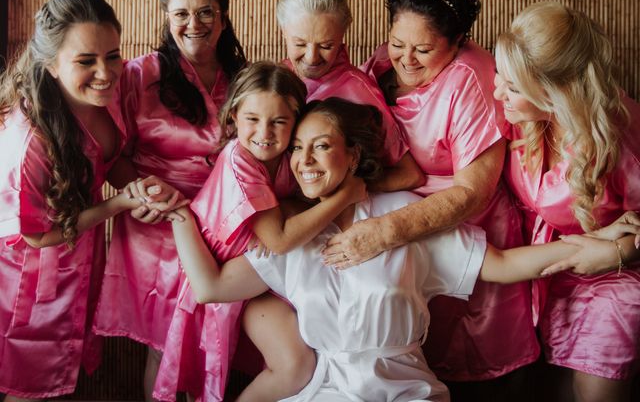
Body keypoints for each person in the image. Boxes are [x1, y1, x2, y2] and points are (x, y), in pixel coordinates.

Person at [163, 97, 597, 402]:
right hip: (325, 389)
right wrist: (178, 212)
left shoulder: (402, 215)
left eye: (321, 146)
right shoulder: (291, 234)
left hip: (406, 389)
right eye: (296, 148)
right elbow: (210, 286)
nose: (305, 161)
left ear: (352, 156)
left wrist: (596, 245)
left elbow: (501, 266)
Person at [320, 0, 536, 395]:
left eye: (423, 49)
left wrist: (385, 231)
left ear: (456, 44)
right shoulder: (382, 62)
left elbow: (473, 192)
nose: (405, 58)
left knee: (473, 369)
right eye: (398, 43)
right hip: (404, 239)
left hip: (467, 230)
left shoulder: (472, 78)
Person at [151, 62, 365, 401]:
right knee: (203, 373)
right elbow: (278, 240)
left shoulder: (288, 155)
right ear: (234, 116)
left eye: (279, 122)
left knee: (296, 364)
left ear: (296, 121)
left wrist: (296, 211)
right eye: (252, 120)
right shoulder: (240, 159)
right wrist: (346, 195)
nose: (265, 133)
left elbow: (292, 207)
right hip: (219, 270)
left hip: (259, 275)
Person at [92, 0, 246, 400]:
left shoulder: (243, 76)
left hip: (223, 224)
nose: (193, 24)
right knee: (166, 348)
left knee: (214, 343)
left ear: (224, 15)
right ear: (166, 16)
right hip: (156, 221)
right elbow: (114, 157)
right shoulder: (139, 75)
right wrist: (139, 193)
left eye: (205, 12)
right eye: (181, 14)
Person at [0, 0, 155, 400]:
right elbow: (36, 234)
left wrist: (144, 187)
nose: (105, 72)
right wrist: (119, 205)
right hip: (32, 276)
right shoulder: (29, 140)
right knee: (29, 384)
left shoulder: (105, 97)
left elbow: (110, 160)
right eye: (86, 61)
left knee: (66, 377)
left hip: (81, 253)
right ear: (50, 64)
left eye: (113, 55)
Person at [493, 1, 640, 402]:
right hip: (542, 271)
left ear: (555, 91)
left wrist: (615, 255)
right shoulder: (516, 116)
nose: (496, 92)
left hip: (611, 281)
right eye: (497, 76)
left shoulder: (620, 134)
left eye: (512, 87)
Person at [276, 0, 424, 192]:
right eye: (300, 43)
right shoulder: (273, 81)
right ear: (283, 31)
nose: (311, 57)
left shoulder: (359, 92)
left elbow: (410, 174)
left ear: (342, 34)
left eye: (326, 45)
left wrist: (346, 193)